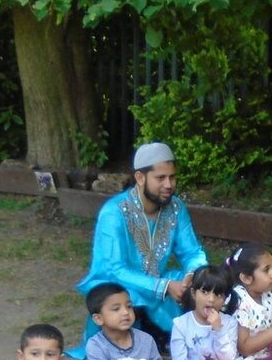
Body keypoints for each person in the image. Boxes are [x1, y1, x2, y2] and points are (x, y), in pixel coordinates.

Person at [75, 142, 208, 346]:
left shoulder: (176, 207)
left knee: (204, 282)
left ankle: (176, 335)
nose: (169, 185)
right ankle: (154, 334)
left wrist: (191, 276)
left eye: (172, 177)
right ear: (140, 177)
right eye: (160, 178)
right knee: (130, 297)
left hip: (157, 281)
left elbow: (193, 253)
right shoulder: (114, 213)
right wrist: (163, 286)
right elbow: (114, 269)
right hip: (117, 285)